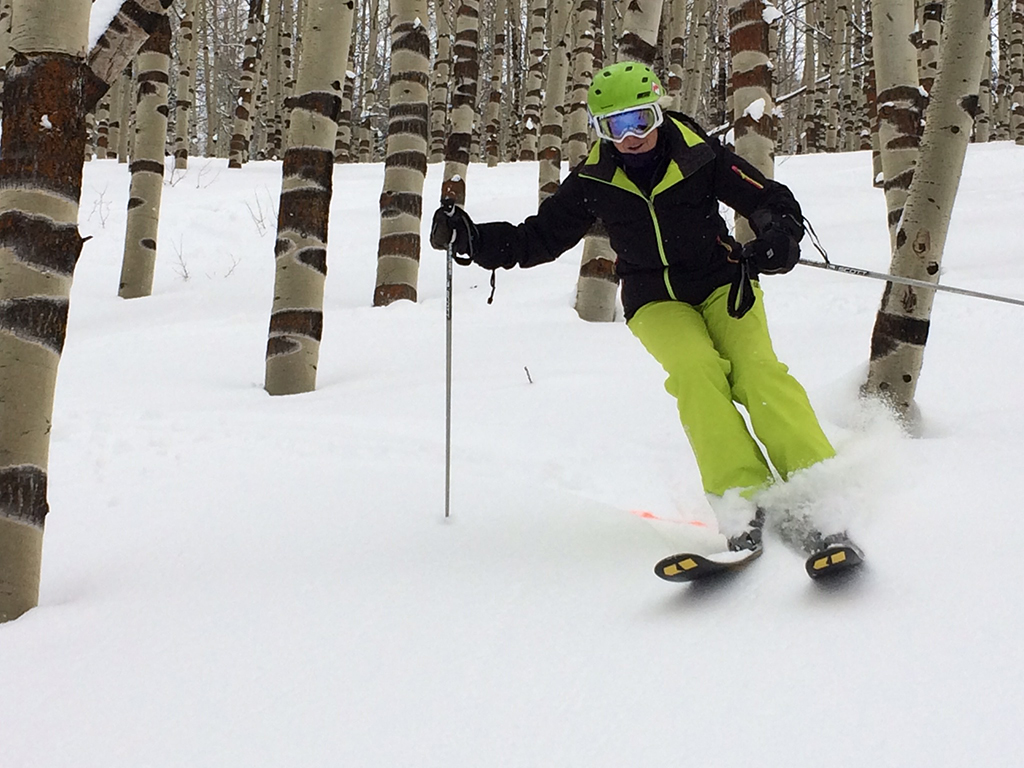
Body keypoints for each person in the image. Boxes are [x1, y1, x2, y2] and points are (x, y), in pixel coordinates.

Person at [429, 61, 836, 552]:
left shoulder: (698, 154)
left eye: (640, 119)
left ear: (658, 112)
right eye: (614, 126)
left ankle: (823, 491)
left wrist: (779, 235)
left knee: (757, 373)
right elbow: (537, 238)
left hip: (722, 284)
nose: (631, 136)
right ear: (601, 131)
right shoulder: (595, 179)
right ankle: (743, 500)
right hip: (655, 299)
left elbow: (769, 198)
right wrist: (473, 239)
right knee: (696, 374)